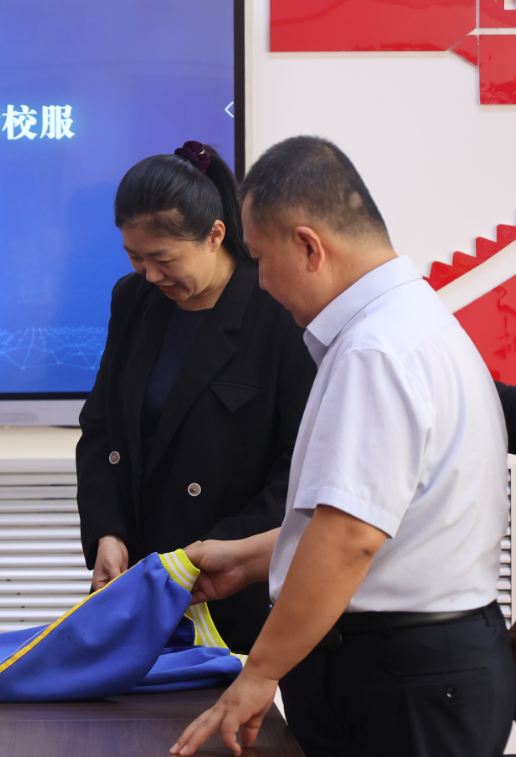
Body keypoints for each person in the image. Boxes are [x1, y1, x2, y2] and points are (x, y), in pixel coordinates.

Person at [171, 136, 515, 757]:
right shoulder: (411, 322)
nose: (260, 282)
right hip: (424, 670)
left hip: (401, 678)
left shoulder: (375, 349)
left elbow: (349, 537)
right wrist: (247, 560)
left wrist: (260, 673)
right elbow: (382, 521)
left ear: (309, 246)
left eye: (259, 258)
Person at [76, 141, 317, 653]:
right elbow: (101, 429)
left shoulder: (277, 308)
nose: (150, 275)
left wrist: (215, 555)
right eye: (135, 257)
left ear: (215, 235)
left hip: (234, 586)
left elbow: (299, 466)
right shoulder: (133, 299)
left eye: (163, 258)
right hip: (141, 583)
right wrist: (107, 533)